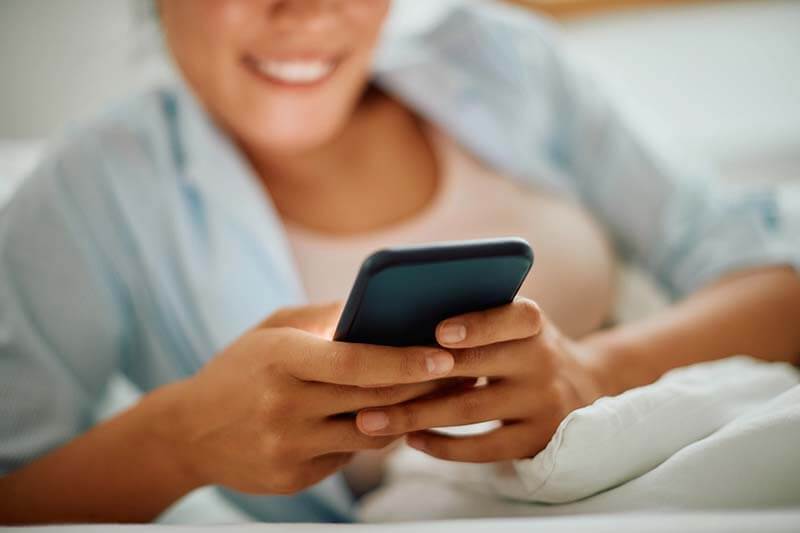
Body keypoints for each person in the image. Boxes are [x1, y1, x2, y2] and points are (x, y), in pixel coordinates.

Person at [1, 0, 798, 525]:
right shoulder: (91, 190)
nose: (305, 12)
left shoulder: (498, 57)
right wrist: (181, 440)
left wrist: (596, 371)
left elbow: (777, 279)